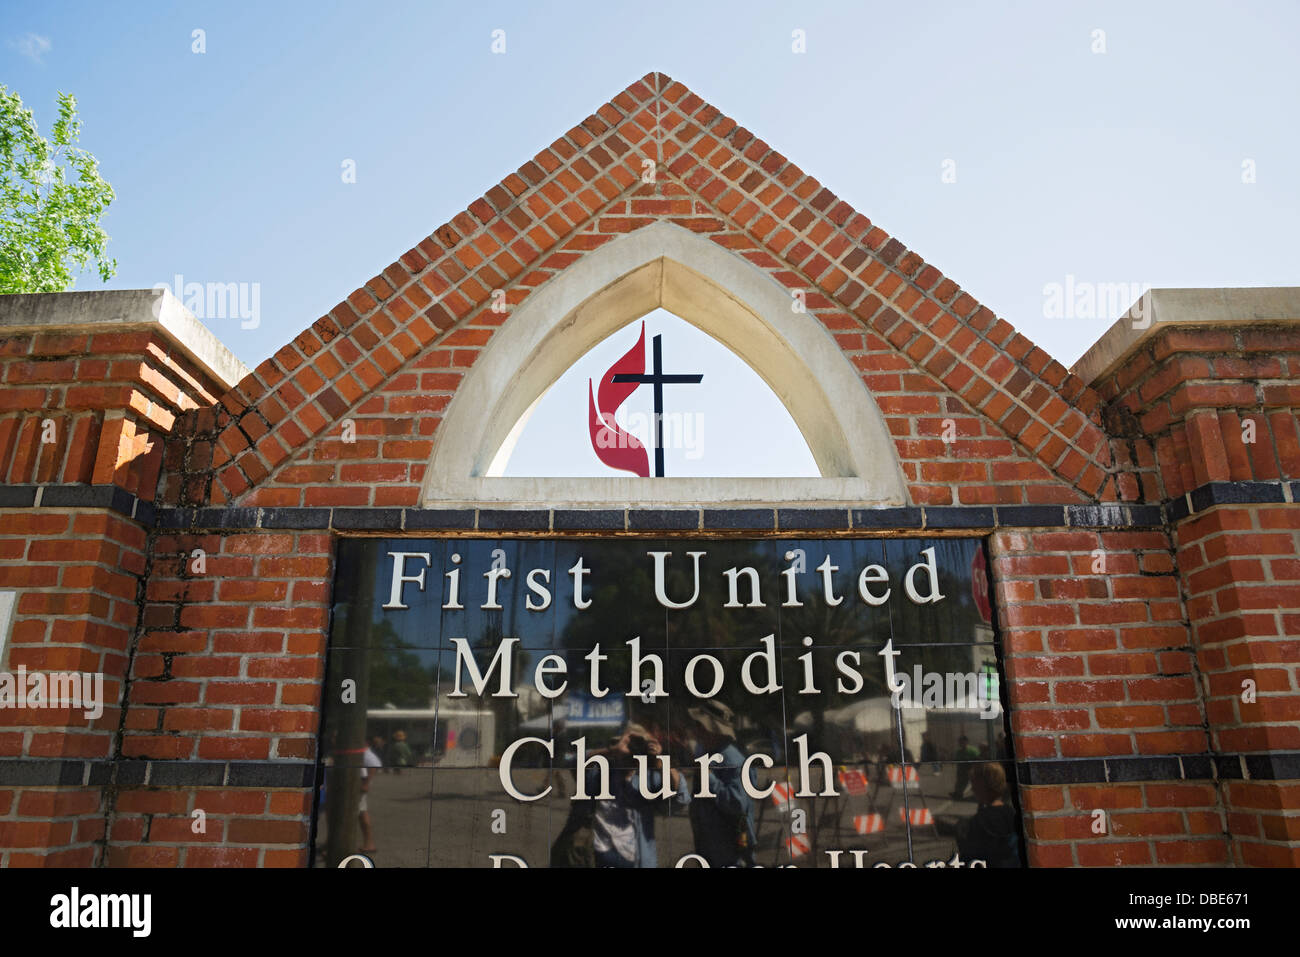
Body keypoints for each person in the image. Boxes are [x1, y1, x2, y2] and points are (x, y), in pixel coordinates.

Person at [585, 723, 690, 868]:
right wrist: (612, 750)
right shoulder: (601, 772)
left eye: (637, 745)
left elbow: (681, 798)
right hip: (601, 856)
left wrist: (661, 761)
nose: (631, 751)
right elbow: (576, 762)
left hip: (637, 859)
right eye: (627, 744)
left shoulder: (649, 778)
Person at [687, 701, 758, 868]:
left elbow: (737, 803)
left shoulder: (733, 760)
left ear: (713, 729)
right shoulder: (711, 754)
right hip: (712, 850)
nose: (696, 731)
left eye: (700, 725)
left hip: (730, 854)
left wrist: (708, 777)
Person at [955, 763, 1020, 867]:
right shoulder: (1012, 813)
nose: (972, 789)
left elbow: (971, 856)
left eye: (974, 785)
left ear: (983, 786)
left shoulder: (979, 820)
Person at [358, 739, 382, 853]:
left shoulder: (365, 753)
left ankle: (369, 843)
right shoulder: (362, 753)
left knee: (360, 814)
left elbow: (373, 765)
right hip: (359, 785)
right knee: (362, 814)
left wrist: (366, 784)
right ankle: (369, 843)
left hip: (359, 786)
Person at [951, 735, 978, 800]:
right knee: (960, 782)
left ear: (966, 742)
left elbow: (977, 759)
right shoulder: (959, 752)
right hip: (962, 769)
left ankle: (976, 794)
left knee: (975, 782)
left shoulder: (972, 750)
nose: (960, 744)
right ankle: (958, 793)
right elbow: (958, 761)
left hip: (971, 768)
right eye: (959, 742)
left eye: (962, 742)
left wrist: (974, 768)